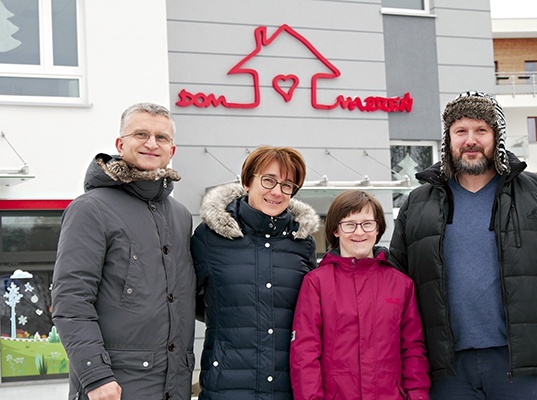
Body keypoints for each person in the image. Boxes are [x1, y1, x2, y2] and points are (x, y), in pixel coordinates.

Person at [389, 90, 537, 399]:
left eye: (481, 130)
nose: (470, 140)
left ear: (496, 136)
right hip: (445, 369)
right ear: (448, 138)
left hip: (522, 365)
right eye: (461, 131)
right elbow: (397, 285)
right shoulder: (418, 204)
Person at [52, 103, 195, 400]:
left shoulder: (180, 216)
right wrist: (95, 376)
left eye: (162, 137)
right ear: (120, 144)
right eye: (141, 134)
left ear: (172, 149)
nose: (151, 143)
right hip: (113, 388)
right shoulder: (91, 209)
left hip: (173, 387)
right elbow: (71, 300)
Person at [191, 145, 320, 399]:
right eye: (269, 180)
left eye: (287, 185)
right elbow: (190, 301)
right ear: (248, 182)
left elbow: (309, 313)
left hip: (287, 387)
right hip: (227, 385)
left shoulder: (302, 242)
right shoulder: (210, 237)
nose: (277, 192)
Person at [290, 190, 430, 400]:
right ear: (336, 230)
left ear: (378, 228)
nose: (359, 232)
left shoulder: (401, 284)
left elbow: (412, 350)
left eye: (367, 223)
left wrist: (417, 396)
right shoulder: (317, 283)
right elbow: (305, 352)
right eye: (349, 224)